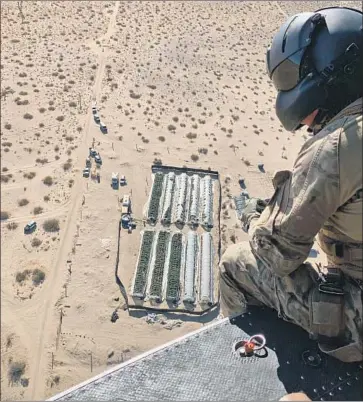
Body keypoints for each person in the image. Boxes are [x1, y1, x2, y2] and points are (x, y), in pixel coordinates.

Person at [219, 6, 363, 363]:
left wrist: (254, 219)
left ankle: (245, 366)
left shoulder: (339, 148)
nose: (305, 122)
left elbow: (277, 255)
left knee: (235, 265)